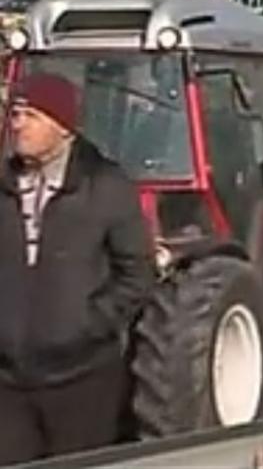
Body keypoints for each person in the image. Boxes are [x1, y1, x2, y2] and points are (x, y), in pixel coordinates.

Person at [0, 73, 155, 463]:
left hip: (82, 379)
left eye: (30, 115)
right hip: (9, 382)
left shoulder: (105, 186)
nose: (18, 125)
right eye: (15, 114)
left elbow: (136, 272)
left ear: (62, 126)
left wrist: (88, 325)